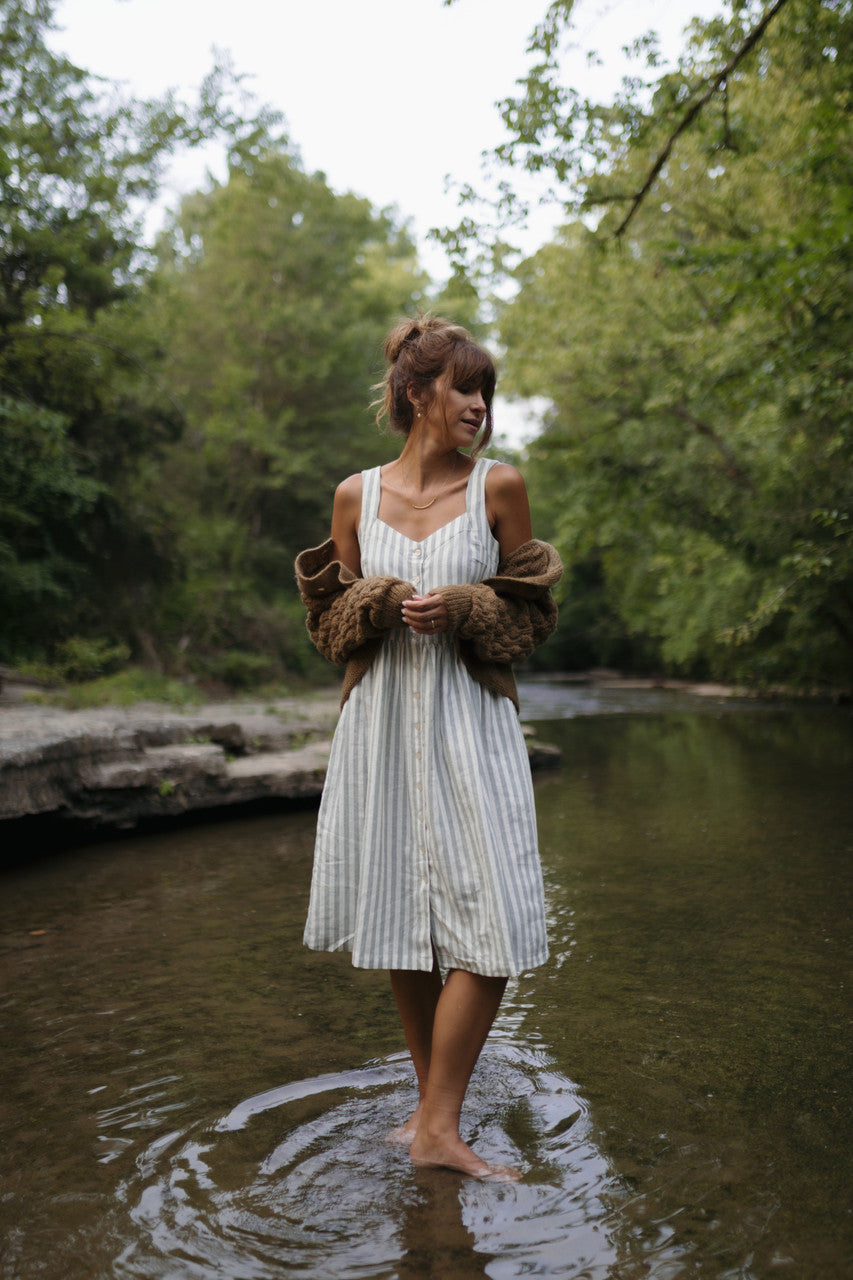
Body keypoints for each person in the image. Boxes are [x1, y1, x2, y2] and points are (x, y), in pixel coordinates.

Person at [295, 315, 562, 1182]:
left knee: (494, 930)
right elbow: (330, 630)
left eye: (485, 390)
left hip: (471, 727)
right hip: (378, 729)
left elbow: (531, 620)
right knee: (403, 924)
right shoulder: (354, 497)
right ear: (416, 394)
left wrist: (466, 608)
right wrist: (372, 602)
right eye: (462, 387)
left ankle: (436, 1122)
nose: (479, 405)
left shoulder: (500, 487)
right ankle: (431, 1120)